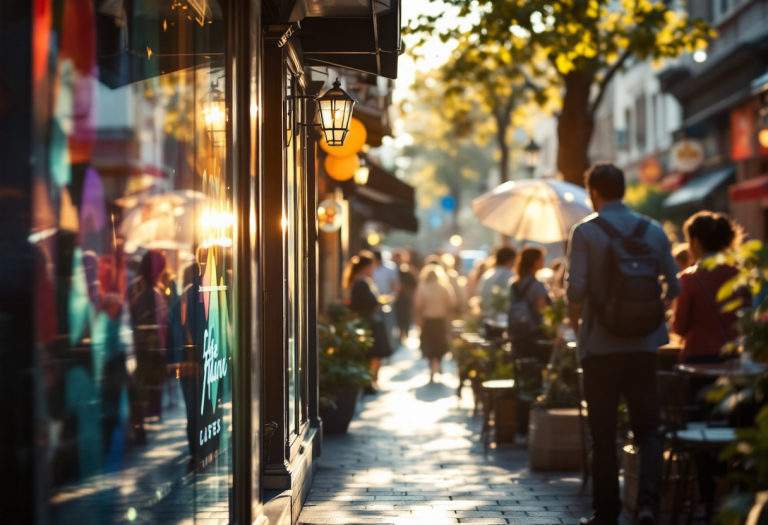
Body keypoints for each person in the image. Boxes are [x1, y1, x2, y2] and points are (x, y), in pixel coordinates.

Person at [566, 163, 680, 525]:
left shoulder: (585, 232)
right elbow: (674, 287)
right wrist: (647, 315)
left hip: (599, 347)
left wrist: (577, 326)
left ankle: (606, 514)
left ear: (593, 193)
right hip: (645, 347)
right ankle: (647, 505)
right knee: (647, 430)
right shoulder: (654, 230)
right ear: (624, 191)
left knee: (603, 434)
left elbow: (575, 291)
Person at [673, 212, 747, 364]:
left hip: (698, 358)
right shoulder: (740, 275)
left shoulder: (688, 279)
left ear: (695, 241)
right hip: (732, 357)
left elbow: (679, 327)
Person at [344, 251, 392, 392]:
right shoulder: (361, 283)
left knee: (372, 354)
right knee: (373, 354)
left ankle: (370, 382)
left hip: (366, 321)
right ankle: (370, 382)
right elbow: (370, 303)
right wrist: (381, 302)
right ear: (365, 267)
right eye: (371, 266)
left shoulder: (359, 281)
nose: (372, 269)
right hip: (369, 322)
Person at [508, 246, 552, 363]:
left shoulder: (515, 284)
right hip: (534, 335)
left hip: (517, 333)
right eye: (541, 259)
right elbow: (543, 312)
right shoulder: (537, 285)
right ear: (534, 262)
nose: (543, 261)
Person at [413, 264, 456, 382]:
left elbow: (418, 306)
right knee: (440, 344)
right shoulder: (444, 287)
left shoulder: (423, 287)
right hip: (440, 320)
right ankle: (438, 363)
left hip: (428, 320)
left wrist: (419, 321)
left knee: (429, 345)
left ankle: (432, 365)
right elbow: (451, 304)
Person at [372, 250, 400, 349]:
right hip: (373, 303)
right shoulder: (371, 268)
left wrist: (391, 298)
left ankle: (390, 348)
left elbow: (396, 286)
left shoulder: (390, 268)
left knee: (389, 326)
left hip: (387, 302)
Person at [478, 246, 517, 318]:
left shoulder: (486, 275)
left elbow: (481, 300)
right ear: (511, 260)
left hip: (486, 318)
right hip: (503, 320)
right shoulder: (511, 276)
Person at [392, 249, 417, 344]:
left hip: (405, 299)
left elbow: (414, 285)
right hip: (394, 300)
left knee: (405, 317)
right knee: (397, 318)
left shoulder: (406, 271)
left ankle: (404, 334)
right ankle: (399, 336)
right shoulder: (391, 271)